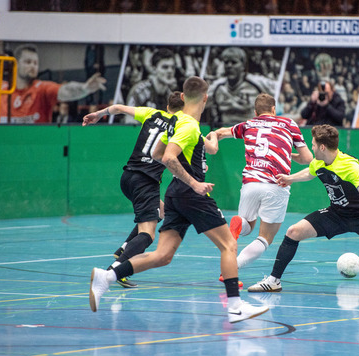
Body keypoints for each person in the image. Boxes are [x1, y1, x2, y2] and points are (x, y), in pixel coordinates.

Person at [89, 76, 269, 324]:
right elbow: (168, 157)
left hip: (175, 194)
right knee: (229, 245)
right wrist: (194, 182)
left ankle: (107, 276)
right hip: (190, 194)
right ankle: (235, 306)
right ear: (205, 98)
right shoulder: (189, 126)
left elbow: (157, 153)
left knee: (163, 256)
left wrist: (194, 164)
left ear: (183, 97)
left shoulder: (175, 123)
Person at [246, 124, 359, 301]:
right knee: (293, 231)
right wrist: (290, 179)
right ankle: (274, 281)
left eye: (313, 145)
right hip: (336, 215)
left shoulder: (349, 165)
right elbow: (310, 172)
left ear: (322, 147)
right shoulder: (319, 162)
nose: (311, 148)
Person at [83, 92, 183, 288]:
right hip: (146, 182)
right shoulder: (180, 124)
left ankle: (124, 248)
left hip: (128, 177)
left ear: (167, 106)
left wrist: (98, 114)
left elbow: (118, 107)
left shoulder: (152, 113)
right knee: (147, 235)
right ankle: (114, 271)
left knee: (162, 211)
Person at [214, 93, 313, 283]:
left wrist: (211, 138)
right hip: (276, 184)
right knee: (265, 238)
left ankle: (238, 223)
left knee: (246, 226)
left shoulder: (248, 124)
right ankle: (232, 268)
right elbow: (307, 159)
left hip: (250, 183)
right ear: (274, 109)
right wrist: (285, 154)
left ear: (255, 112)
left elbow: (221, 133)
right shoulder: (288, 124)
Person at [0, 44, 106, 124]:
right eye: (28, 62)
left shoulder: (42, 89)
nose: (33, 66)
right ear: (16, 64)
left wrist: (85, 88)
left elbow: (65, 91)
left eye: (35, 63)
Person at [208, 47, 276, 126]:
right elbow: (201, 102)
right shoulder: (217, 86)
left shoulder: (257, 83)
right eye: (226, 62)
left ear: (243, 65)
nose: (229, 66)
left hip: (251, 129)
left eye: (234, 62)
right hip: (226, 130)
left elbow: (277, 93)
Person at [126, 48, 178, 113]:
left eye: (173, 67)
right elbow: (129, 117)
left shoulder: (171, 98)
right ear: (154, 69)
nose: (170, 71)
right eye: (165, 67)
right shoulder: (139, 92)